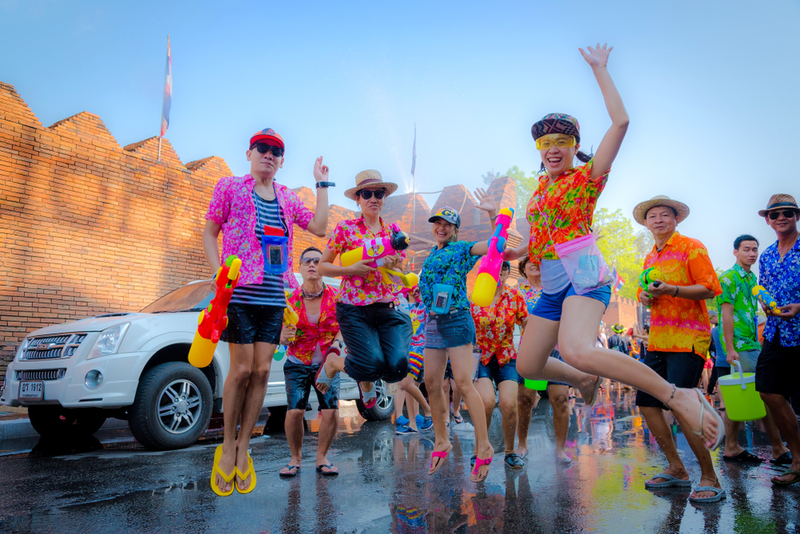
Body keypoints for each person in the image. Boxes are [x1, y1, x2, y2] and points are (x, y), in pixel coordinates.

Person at [503, 44, 722, 491]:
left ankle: (677, 395)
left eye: (561, 143)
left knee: (579, 345)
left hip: (585, 278)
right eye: (545, 144)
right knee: (528, 363)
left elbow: (621, 122)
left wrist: (600, 70)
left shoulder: (587, 179)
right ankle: (585, 375)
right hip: (552, 287)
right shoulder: (538, 192)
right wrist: (505, 249)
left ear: (575, 147)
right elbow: (535, 247)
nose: (552, 150)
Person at [203, 128, 331, 496]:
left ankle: (245, 446)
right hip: (240, 293)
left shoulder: (288, 198)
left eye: (276, 151)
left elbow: (320, 228)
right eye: (262, 148)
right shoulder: (230, 187)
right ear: (249, 153)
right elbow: (210, 232)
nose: (269, 155)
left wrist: (322, 184)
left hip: (274, 297)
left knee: (261, 371)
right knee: (241, 370)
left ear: (281, 161)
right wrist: (217, 272)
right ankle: (227, 446)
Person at [633, 195, 726, 503]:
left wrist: (672, 289)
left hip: (688, 338)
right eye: (653, 217)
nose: (658, 220)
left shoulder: (691, 246)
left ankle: (709, 476)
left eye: (664, 215)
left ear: (675, 220)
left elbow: (710, 287)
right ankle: (676, 468)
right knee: (646, 401)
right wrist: (644, 296)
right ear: (647, 224)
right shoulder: (650, 257)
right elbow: (645, 287)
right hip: (658, 339)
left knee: (682, 404)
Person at [316, 170, 412, 407]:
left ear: (384, 197)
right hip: (353, 308)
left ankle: (366, 376)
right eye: (366, 193)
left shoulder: (394, 234)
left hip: (386, 308)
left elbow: (397, 278)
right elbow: (322, 267)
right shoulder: (345, 228)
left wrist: (395, 267)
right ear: (358, 198)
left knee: (398, 367)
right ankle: (333, 364)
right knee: (371, 364)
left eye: (378, 193)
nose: (373, 198)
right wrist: (351, 269)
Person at [418, 204, 497, 482]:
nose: (441, 228)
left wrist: (492, 216)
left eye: (447, 224)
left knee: (463, 384)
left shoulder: (462, 249)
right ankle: (441, 440)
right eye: (437, 223)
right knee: (431, 382)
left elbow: (493, 246)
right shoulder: (432, 253)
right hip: (433, 320)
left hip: (456, 318)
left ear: (455, 229)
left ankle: (484, 445)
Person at [718, 234, 791, 465]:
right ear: (735, 252)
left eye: (754, 250)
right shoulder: (729, 277)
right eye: (746, 249)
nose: (752, 253)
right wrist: (729, 349)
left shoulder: (752, 279)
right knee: (760, 394)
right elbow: (726, 315)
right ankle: (777, 448)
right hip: (739, 345)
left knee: (744, 396)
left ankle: (733, 446)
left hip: (752, 343)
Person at [278, 247, 343, 477]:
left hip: (327, 363)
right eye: (307, 261)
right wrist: (280, 336)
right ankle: (295, 459)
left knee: (331, 412)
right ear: (300, 268)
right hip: (297, 362)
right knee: (294, 412)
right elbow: (278, 332)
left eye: (317, 260)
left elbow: (344, 330)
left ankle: (322, 458)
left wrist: (336, 348)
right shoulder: (289, 301)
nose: (312, 265)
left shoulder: (336, 298)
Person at [755, 194, 800, 485]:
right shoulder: (768, 255)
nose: (781, 217)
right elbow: (764, 291)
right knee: (768, 390)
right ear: (768, 220)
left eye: (787, 212)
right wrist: (766, 306)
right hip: (775, 333)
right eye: (774, 214)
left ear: (796, 216)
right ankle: (797, 458)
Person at [471, 261, 529, 469]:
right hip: (480, 357)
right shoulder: (476, 297)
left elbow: (526, 322)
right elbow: (465, 325)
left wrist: (531, 346)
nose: (497, 273)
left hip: (506, 356)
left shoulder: (515, 296)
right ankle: (480, 449)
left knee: (509, 404)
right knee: (486, 402)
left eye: (501, 270)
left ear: (506, 273)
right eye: (491, 270)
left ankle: (510, 451)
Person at [394, 284, 434, 435]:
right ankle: (413, 424)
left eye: (416, 288)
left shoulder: (422, 306)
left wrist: (421, 296)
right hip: (405, 350)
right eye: (410, 287)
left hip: (419, 349)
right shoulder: (402, 306)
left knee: (407, 384)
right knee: (409, 386)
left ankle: (428, 411)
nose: (414, 290)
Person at [516, 255, 543, 456]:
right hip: (529, 350)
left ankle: (560, 449)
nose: (534, 264)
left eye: (539, 261)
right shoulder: (518, 292)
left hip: (556, 351)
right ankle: (522, 444)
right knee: (527, 398)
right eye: (529, 262)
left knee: (560, 398)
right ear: (523, 269)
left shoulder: (554, 288)